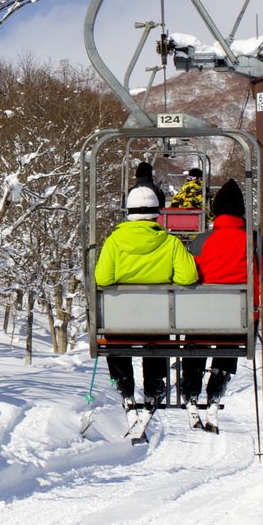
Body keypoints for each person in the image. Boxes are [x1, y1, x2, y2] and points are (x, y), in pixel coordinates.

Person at [94, 181, 198, 425]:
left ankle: (124, 387)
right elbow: (188, 276)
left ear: (128, 213)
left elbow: (102, 278)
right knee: (157, 340)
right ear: (156, 213)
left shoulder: (114, 242)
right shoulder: (170, 243)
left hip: (120, 323)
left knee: (115, 342)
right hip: (157, 322)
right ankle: (154, 386)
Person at [182, 178, 250, 433]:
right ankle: (216, 390)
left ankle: (190, 391)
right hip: (236, 320)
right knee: (231, 336)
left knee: (194, 338)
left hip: (200, 318)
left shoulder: (200, 242)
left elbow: (189, 276)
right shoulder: (253, 242)